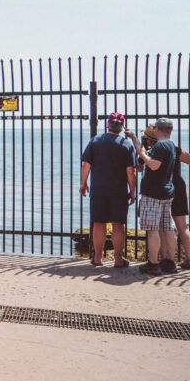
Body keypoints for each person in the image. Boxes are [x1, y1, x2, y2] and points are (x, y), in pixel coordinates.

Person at [128, 125, 190, 270]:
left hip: (158, 190)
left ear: (150, 138)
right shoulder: (173, 148)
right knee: (179, 226)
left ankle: (161, 259)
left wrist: (140, 152)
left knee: (157, 227)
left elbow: (140, 167)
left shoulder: (150, 152)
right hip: (176, 188)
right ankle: (188, 259)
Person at [79, 112, 136, 267]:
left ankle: (98, 258)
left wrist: (83, 183)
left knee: (98, 223)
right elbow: (130, 171)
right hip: (118, 190)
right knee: (118, 225)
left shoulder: (95, 141)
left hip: (98, 189)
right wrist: (132, 191)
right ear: (122, 127)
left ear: (107, 125)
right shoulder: (126, 144)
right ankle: (118, 259)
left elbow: (86, 165)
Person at [136, 118, 178, 275]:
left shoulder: (160, 145)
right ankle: (170, 262)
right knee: (167, 228)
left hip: (153, 193)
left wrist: (141, 153)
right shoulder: (171, 144)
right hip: (167, 191)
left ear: (157, 129)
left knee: (152, 228)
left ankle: (153, 264)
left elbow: (154, 165)